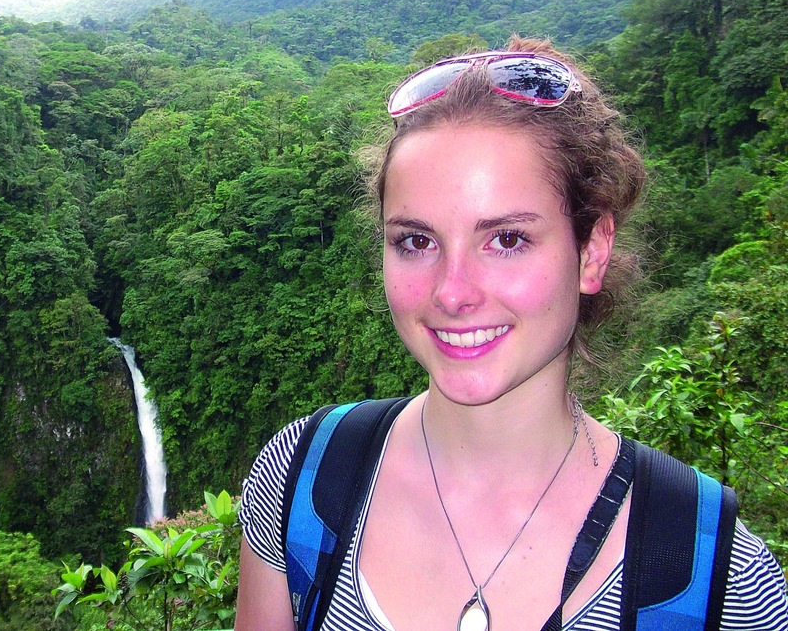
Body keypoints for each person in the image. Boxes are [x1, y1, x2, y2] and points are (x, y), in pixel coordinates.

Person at [234, 36, 788, 630]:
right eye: (416, 242)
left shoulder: (717, 574)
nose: (453, 291)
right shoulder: (301, 481)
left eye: (507, 239)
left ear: (592, 251)